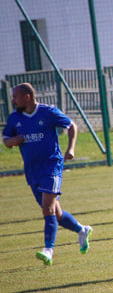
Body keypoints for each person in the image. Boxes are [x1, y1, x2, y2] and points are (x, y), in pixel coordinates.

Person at [2, 83, 92, 265]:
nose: (12, 100)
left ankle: (48, 250)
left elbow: (71, 125)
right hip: (32, 171)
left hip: (52, 166)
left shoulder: (48, 112)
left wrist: (71, 148)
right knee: (56, 214)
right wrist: (12, 140)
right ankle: (82, 230)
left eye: (15, 97)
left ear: (27, 97)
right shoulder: (15, 118)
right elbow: (5, 139)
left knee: (47, 208)